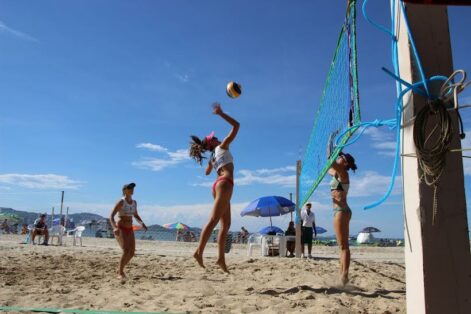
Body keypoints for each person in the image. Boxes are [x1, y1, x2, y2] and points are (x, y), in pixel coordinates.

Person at [189, 102, 239, 273]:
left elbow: (207, 172)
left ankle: (220, 259)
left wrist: (211, 161)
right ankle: (198, 252)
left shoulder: (213, 155)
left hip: (219, 184)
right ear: (213, 143)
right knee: (213, 221)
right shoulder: (222, 146)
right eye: (214, 138)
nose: (217, 137)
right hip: (225, 183)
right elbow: (236, 125)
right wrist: (221, 113)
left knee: (226, 225)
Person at [328, 151, 357, 285]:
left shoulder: (343, 174)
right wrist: (331, 153)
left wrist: (331, 152)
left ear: (344, 163)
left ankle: (344, 277)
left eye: (341, 157)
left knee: (344, 246)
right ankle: (342, 275)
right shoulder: (336, 173)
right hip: (338, 211)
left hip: (342, 211)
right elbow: (329, 167)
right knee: (342, 247)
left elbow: (332, 163)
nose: (339, 157)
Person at [110, 182, 148, 280]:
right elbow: (111, 216)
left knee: (131, 253)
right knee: (126, 250)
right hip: (121, 228)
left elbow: (135, 215)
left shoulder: (134, 202)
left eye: (132, 187)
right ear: (124, 190)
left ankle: (119, 269)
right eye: (129, 188)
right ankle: (120, 273)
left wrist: (142, 223)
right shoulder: (121, 202)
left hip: (130, 228)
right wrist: (114, 227)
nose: (132, 189)